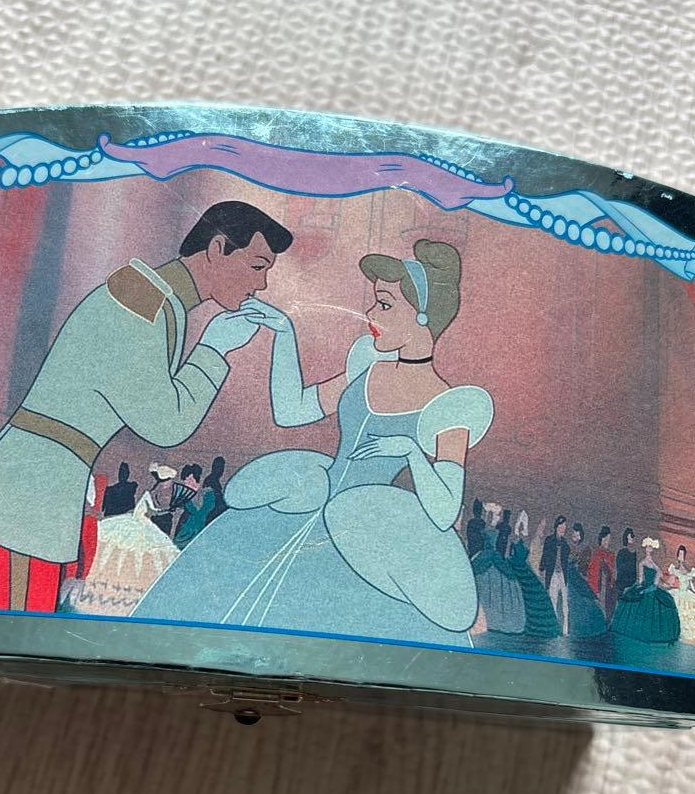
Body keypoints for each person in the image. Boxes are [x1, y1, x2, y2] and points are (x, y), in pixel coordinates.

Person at [134, 239, 494, 675]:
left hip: (365, 540)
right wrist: (285, 333)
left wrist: (412, 452)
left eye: (384, 305)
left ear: (421, 317)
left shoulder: (449, 407)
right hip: (302, 502)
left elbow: (444, 510)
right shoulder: (367, 364)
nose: (371, 315)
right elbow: (293, 410)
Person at [0, 201, 293, 612]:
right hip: (26, 494)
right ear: (217, 248)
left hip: (39, 491)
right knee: (4, 628)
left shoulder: (161, 303)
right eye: (257, 266)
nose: (262, 284)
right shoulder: (140, 304)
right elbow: (166, 423)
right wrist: (214, 349)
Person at [60, 476, 182, 617]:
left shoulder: (155, 494)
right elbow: (151, 508)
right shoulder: (149, 493)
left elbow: (152, 509)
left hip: (141, 525)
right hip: (133, 522)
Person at [611, 537, 681, 643]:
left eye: (650, 547)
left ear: (652, 549)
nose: (648, 549)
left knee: (662, 604)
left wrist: (652, 588)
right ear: (645, 548)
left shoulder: (656, 567)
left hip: (652, 589)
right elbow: (640, 580)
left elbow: (656, 583)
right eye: (647, 547)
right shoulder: (642, 563)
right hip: (645, 587)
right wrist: (639, 588)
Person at [472, 503, 525, 633]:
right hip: (488, 558)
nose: (497, 517)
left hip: (492, 558)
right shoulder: (486, 528)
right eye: (496, 514)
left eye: (498, 515)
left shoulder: (498, 528)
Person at [507, 511, 561, 638]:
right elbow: (531, 560)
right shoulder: (531, 542)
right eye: (541, 526)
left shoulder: (536, 541)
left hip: (530, 573)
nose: (543, 529)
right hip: (524, 572)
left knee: (540, 600)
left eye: (544, 526)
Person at [565, 523, 607, 638]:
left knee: (583, 603)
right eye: (574, 534)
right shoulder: (569, 547)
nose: (575, 537)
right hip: (569, 580)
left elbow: (583, 568)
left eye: (577, 535)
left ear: (580, 536)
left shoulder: (584, 549)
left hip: (576, 579)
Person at [540, 516, 570, 635]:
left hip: (562, 575)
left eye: (565, 526)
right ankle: (554, 628)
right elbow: (544, 556)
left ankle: (565, 629)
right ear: (557, 527)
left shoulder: (565, 544)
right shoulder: (549, 540)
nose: (563, 528)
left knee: (565, 603)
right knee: (553, 600)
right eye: (561, 526)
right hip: (552, 574)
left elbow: (566, 562)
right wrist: (542, 569)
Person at [173, 464, 216, 548]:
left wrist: (188, 498)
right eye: (186, 481)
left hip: (200, 528)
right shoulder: (186, 494)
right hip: (185, 527)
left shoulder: (208, 493)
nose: (187, 483)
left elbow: (198, 511)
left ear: (197, 479)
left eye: (190, 480)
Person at [667, 544, 695, 644]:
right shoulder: (675, 570)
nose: (681, 557)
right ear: (677, 556)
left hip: (686, 593)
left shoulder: (689, 571)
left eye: (682, 555)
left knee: (692, 604)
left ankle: (687, 632)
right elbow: (670, 582)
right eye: (679, 554)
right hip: (679, 593)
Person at [586, 525, 616, 617]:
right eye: (605, 539)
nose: (607, 541)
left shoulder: (610, 555)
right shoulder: (597, 554)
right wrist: (596, 591)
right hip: (599, 588)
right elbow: (593, 573)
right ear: (601, 539)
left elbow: (612, 573)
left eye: (608, 539)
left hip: (608, 589)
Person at [202, 456, 228, 525]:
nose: (222, 471)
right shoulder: (212, 480)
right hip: (212, 508)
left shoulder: (214, 480)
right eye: (220, 467)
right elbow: (216, 498)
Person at [615, 527, 638, 595]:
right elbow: (620, 569)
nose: (632, 539)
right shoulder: (622, 552)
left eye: (632, 537)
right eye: (630, 537)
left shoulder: (634, 553)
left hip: (632, 583)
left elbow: (634, 569)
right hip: (622, 584)